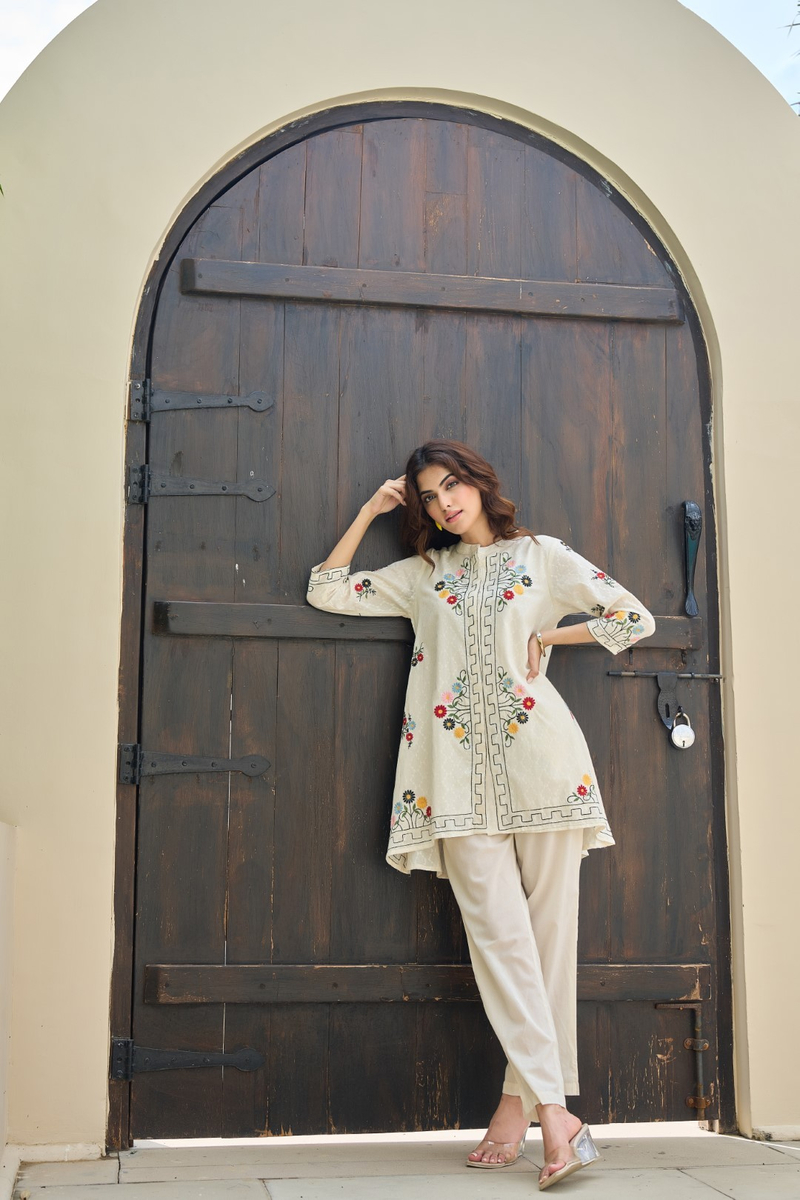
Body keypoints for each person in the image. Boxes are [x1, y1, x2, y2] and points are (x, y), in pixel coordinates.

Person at [306, 439, 656, 1190]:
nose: (444, 504)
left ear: (477, 482)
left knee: (549, 946)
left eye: (451, 486)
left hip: (546, 770)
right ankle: (557, 1114)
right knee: (500, 942)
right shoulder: (423, 574)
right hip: (453, 783)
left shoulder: (542, 557)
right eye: (429, 497)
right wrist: (371, 509)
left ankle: (516, 1106)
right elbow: (327, 590)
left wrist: (550, 635)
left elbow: (633, 618)